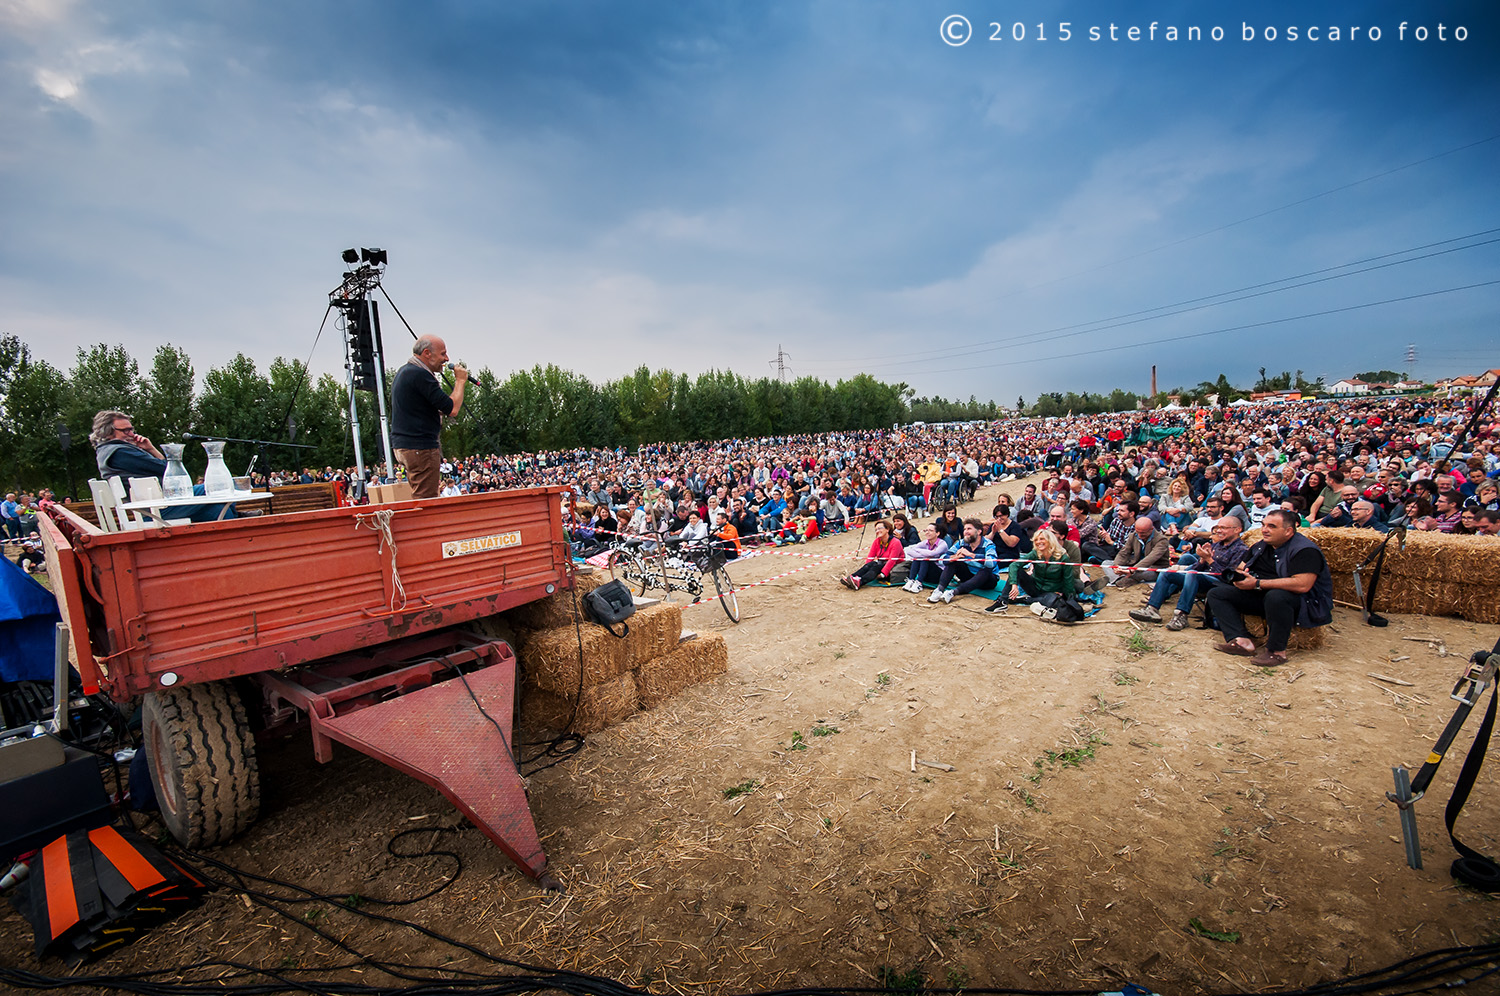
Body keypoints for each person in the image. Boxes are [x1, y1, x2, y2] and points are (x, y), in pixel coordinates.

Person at [1206, 509, 1333, 667]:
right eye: (1263, 525)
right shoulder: (1261, 546)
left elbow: (1302, 585)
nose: (1264, 530)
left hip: (1302, 603)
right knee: (1217, 593)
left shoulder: (1305, 550)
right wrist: (1241, 577)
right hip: (1264, 596)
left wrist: (1258, 583)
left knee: (1276, 596)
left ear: (1288, 531)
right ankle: (1241, 642)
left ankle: (1276, 652)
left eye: (1272, 526)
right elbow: (1240, 567)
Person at [89, 410, 236, 523]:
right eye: (125, 430)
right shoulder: (121, 453)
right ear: (107, 432)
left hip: (152, 508)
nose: (131, 434)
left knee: (216, 509)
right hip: (156, 510)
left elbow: (166, 469)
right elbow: (171, 471)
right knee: (219, 486)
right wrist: (151, 450)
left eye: (132, 429)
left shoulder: (107, 452)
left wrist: (150, 449)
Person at [1130, 516, 1247, 631]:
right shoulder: (1217, 545)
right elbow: (1198, 567)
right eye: (1218, 527)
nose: (1219, 531)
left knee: (1193, 573)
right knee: (1168, 573)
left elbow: (1228, 577)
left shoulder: (1241, 550)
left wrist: (1209, 560)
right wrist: (1202, 559)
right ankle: (1152, 609)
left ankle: (1181, 614)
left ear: (1237, 530)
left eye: (1224, 528)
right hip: (1201, 578)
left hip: (1220, 584)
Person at [390, 335, 469, 499]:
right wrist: (460, 381)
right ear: (427, 353)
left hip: (406, 445)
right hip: (420, 447)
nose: (447, 359)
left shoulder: (406, 372)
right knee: (427, 499)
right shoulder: (419, 375)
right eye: (443, 354)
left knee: (421, 495)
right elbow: (452, 408)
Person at [988, 525, 1077, 611]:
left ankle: (1025, 600)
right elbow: (1014, 565)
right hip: (1034, 587)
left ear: (1050, 540)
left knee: (1054, 601)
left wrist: (1070, 599)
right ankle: (1002, 601)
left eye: (1042, 539)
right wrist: (1014, 584)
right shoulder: (1035, 553)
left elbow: (1068, 580)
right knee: (1017, 571)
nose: (1038, 542)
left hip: (1051, 591)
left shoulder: (1063, 558)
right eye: (1036, 540)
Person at [927, 518, 998, 604]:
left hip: (987, 580)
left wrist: (971, 555)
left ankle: (953, 592)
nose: (965, 532)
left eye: (969, 529)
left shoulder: (988, 544)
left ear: (979, 531)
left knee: (985, 571)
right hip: (969, 575)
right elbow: (942, 559)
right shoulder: (961, 543)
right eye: (964, 529)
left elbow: (992, 563)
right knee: (953, 562)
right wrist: (953, 557)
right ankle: (939, 590)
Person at [1102, 516, 1171, 588]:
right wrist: (1116, 566)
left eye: (1143, 533)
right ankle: (1121, 578)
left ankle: (1125, 577)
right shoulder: (1133, 535)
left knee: (1144, 574)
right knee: (1106, 563)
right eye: (1138, 532)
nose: (1139, 535)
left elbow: (1151, 558)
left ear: (1151, 529)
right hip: (1134, 565)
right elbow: (1124, 553)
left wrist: (1132, 570)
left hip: (1152, 568)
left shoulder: (1161, 540)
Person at [838, 519, 904, 590]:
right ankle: (852, 577)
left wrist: (883, 573)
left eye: (880, 528)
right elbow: (870, 557)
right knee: (871, 564)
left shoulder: (895, 542)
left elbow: (892, 560)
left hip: (894, 565)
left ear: (887, 529)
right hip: (882, 563)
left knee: (876, 567)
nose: (877, 531)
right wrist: (867, 567)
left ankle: (860, 582)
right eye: (876, 530)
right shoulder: (877, 541)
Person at [903, 522, 949, 592]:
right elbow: (909, 551)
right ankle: (911, 580)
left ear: (937, 533)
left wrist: (922, 553)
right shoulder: (925, 542)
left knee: (925, 559)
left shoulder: (942, 544)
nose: (927, 532)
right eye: (926, 530)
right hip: (926, 571)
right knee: (919, 558)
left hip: (939, 572)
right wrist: (925, 554)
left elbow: (933, 553)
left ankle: (919, 583)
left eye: (931, 530)